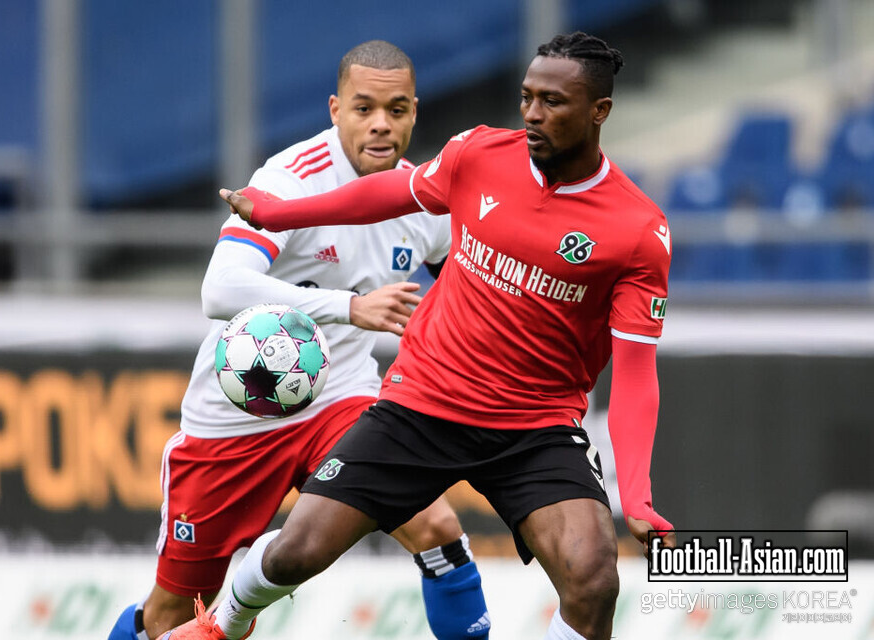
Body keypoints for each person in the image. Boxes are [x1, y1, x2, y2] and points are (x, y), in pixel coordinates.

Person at [185, 31, 679, 640]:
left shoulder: (636, 230)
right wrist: (275, 212)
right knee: (297, 552)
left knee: (594, 578)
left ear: (599, 111)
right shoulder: (478, 153)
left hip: (535, 425)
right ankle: (223, 625)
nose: (532, 113)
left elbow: (635, 371)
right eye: (527, 97)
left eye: (553, 102)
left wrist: (637, 493)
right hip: (423, 402)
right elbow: (385, 193)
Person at [108, 40, 490, 640]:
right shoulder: (291, 179)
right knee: (174, 618)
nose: (381, 125)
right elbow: (220, 288)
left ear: (416, 111)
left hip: (342, 399)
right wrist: (349, 307)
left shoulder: (425, 201)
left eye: (397, 109)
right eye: (364, 109)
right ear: (336, 109)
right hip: (237, 416)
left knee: (438, 530)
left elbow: (468, 292)